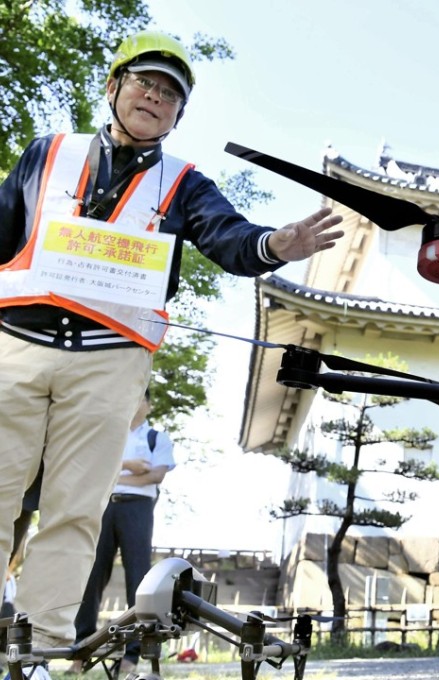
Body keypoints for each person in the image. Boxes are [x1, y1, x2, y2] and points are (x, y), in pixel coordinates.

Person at [0, 29, 343, 675]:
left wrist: (277, 243)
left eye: (170, 96)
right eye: (144, 84)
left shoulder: (183, 182)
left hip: (109, 360)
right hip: (14, 345)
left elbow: (231, 239)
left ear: (179, 116)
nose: (154, 98)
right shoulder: (47, 153)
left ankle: (39, 652)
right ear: (113, 88)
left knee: (75, 510)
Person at [71, 389, 175, 675]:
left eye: (140, 397)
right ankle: (81, 648)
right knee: (92, 576)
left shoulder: (157, 438)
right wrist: (129, 467)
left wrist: (114, 472)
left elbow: (156, 476)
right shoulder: (109, 435)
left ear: (149, 404)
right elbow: (93, 470)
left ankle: (133, 654)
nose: (134, 402)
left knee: (139, 578)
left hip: (138, 508)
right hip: (104, 506)